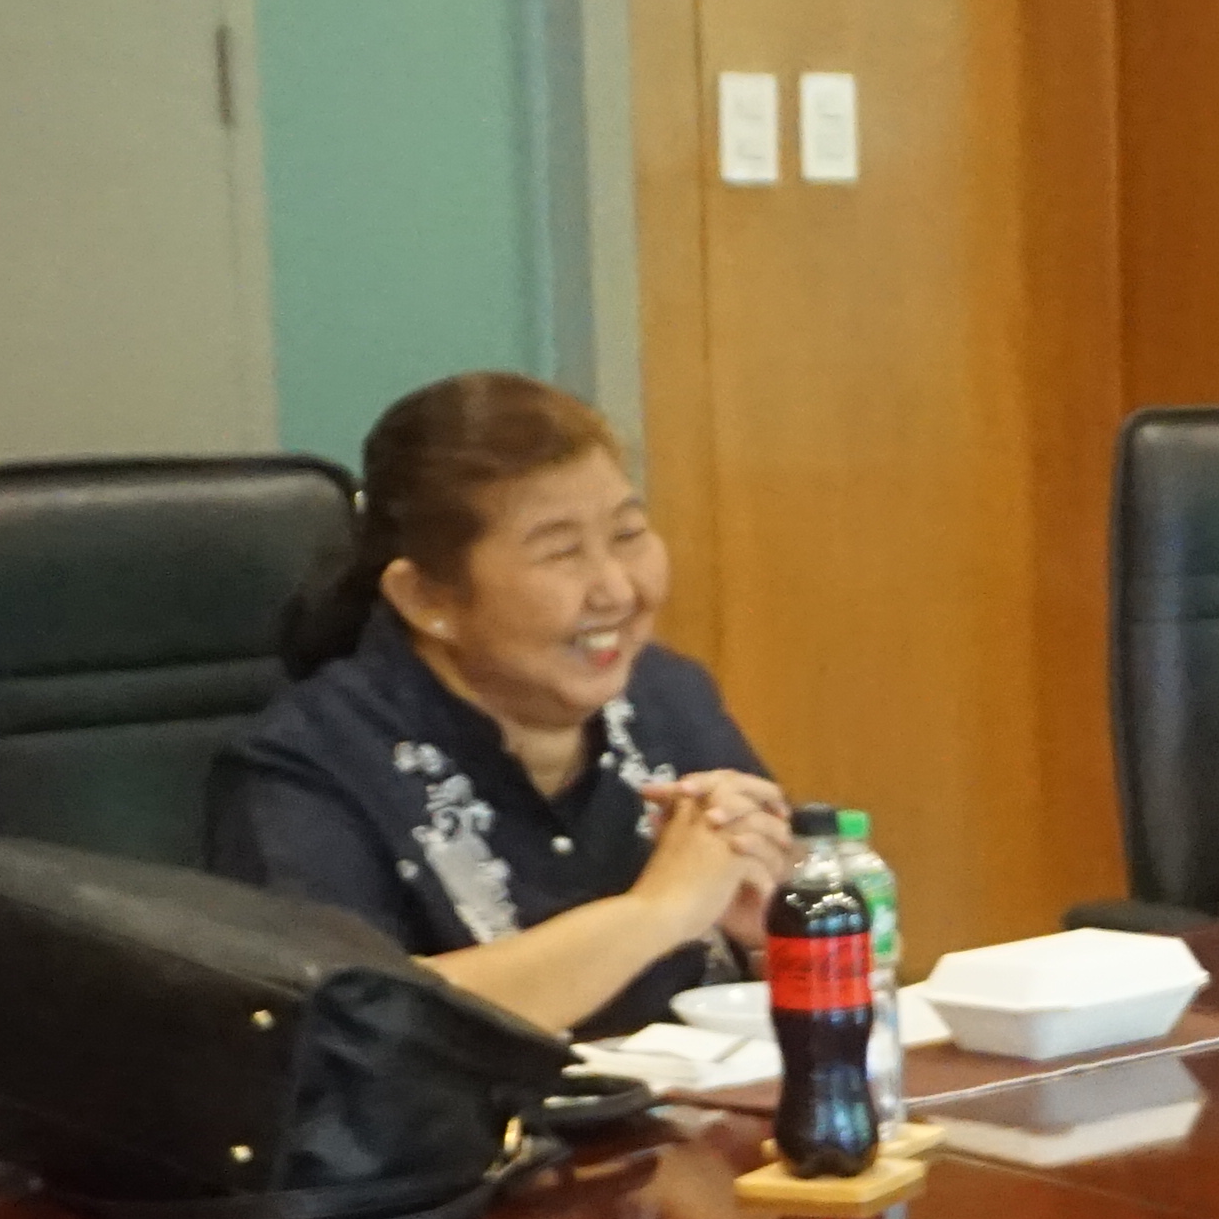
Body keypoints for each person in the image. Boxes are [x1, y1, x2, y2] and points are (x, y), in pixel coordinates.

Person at [213, 373, 795, 1040]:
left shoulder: (669, 697)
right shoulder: (305, 763)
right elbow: (345, 1027)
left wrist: (769, 936)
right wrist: (658, 913)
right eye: (562, 552)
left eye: (629, 535)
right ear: (427, 599)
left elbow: (778, 970)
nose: (616, 589)